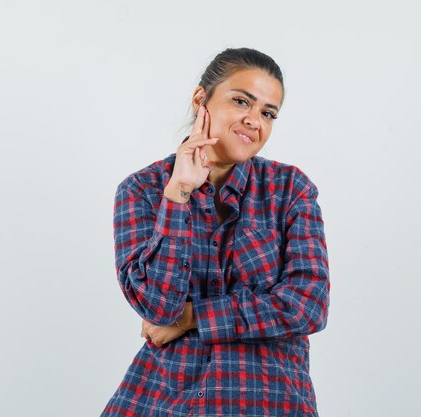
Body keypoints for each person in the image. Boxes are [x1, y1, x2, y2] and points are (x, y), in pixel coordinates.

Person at [101, 47, 330, 417]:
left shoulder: (290, 189)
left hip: (267, 399)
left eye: (268, 113)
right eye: (242, 101)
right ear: (200, 99)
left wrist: (194, 318)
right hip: (164, 399)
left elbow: (307, 306)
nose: (255, 120)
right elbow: (159, 308)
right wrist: (178, 194)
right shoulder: (142, 190)